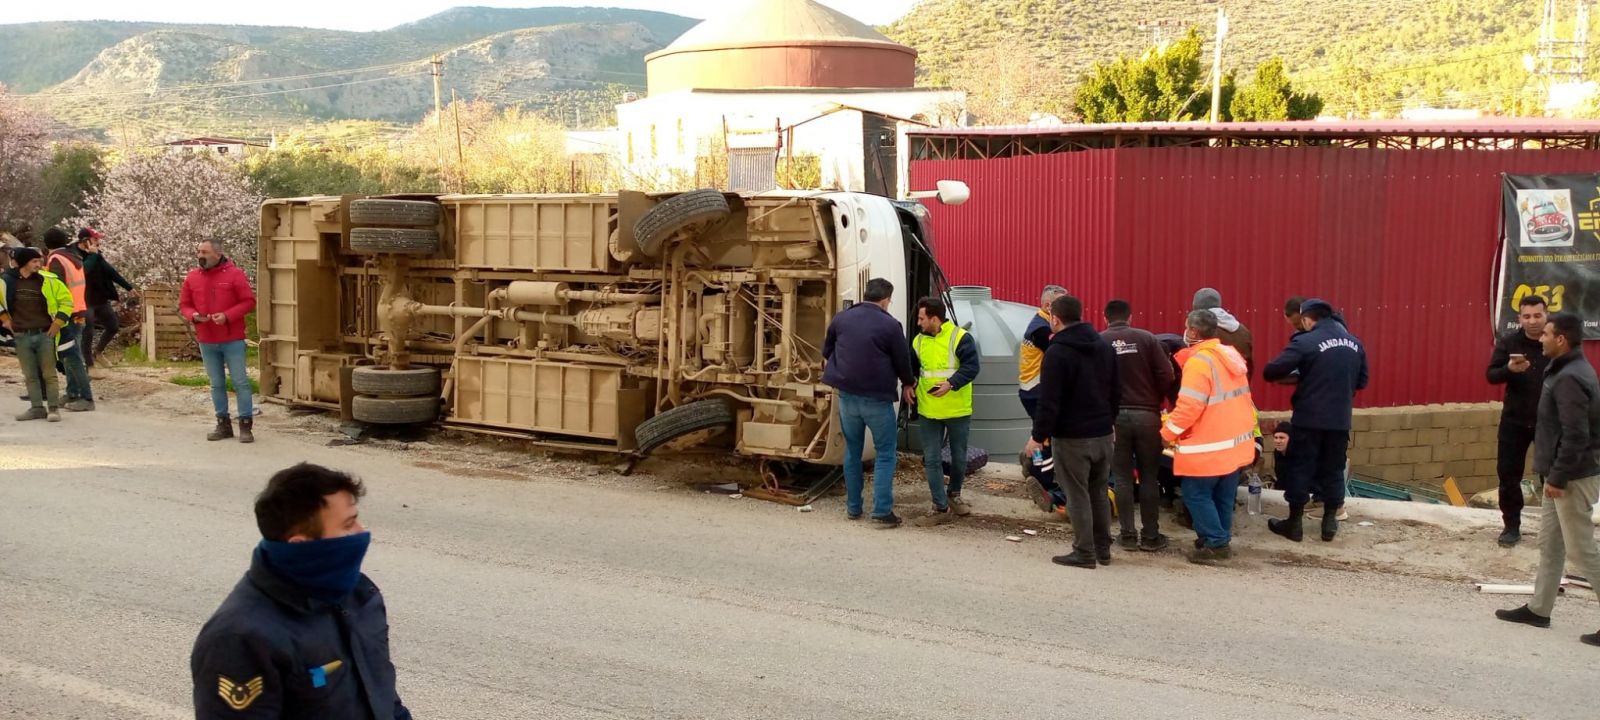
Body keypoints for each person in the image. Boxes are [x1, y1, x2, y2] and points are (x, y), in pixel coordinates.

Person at [191, 463, 413, 718]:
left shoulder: (360, 596)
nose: (362, 532)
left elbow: (382, 697)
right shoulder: (240, 638)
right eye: (348, 524)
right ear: (301, 545)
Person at [1495, 312, 1600, 648]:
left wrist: (1557, 477)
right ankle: (1539, 609)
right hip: (1562, 473)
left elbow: (1575, 434)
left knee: (1582, 551)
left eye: (1546, 334)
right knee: (1550, 545)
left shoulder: (1570, 376)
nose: (1540, 338)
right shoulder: (1565, 369)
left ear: (1561, 340)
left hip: (1571, 476)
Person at [1024, 294, 1119, 569]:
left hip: (1072, 437)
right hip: (1103, 434)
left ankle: (1084, 552)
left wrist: (1038, 436)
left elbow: (1049, 401)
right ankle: (1103, 550)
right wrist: (1109, 422)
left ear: (1055, 318)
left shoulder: (1057, 352)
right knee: (1099, 493)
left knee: (1077, 494)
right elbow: (1115, 390)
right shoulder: (1103, 346)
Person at [1263, 299, 1368, 542]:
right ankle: (1329, 523)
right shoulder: (1355, 343)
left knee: (1301, 467)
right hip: (1339, 420)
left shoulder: (1306, 341)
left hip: (1309, 418)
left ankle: (1294, 524)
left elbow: (1272, 370)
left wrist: (1303, 376)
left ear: (1307, 319)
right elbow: (1362, 381)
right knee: (1333, 468)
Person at [1162, 310, 1258, 564]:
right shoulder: (1230, 354)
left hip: (1209, 445)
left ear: (1193, 332)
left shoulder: (1199, 362)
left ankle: (1215, 543)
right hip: (1234, 442)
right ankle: (1216, 537)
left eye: (1186, 328)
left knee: (1195, 494)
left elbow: (1188, 408)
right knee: (1223, 496)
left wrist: (1166, 433)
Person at [822, 277, 916, 528]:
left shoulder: (842, 318)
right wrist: (908, 383)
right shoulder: (890, 325)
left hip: (847, 398)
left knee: (852, 450)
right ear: (885, 300)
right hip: (876, 399)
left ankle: (853, 508)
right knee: (885, 453)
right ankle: (881, 512)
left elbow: (826, 350)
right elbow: (902, 360)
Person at [1101, 299, 1175, 551]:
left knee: (1121, 477)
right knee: (1149, 476)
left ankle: (1128, 536)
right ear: (1130, 317)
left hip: (1113, 418)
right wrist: (1155, 395)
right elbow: (1167, 374)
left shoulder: (1099, 341)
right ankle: (1151, 536)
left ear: (1105, 318)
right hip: (1147, 415)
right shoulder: (1147, 339)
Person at [909, 297, 981, 526]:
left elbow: (972, 367)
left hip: (957, 408)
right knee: (931, 459)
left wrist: (951, 383)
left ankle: (954, 495)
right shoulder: (917, 342)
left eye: (921, 318)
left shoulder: (960, 337)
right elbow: (913, 369)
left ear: (934, 318)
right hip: (929, 410)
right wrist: (908, 386)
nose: (918, 323)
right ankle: (939, 506)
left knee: (959, 458)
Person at [1485, 295, 1550, 547]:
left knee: (1552, 478)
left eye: (1537, 315)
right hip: (1514, 422)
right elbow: (1491, 375)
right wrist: (1508, 371)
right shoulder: (1509, 342)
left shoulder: (1555, 342)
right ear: (1519, 319)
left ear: (1546, 315)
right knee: (1508, 475)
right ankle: (1511, 526)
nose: (1532, 321)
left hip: (1548, 423)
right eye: (1526, 316)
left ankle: (1553, 531)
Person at [180, 239, 258, 443]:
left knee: (240, 382)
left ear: (217, 253)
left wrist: (227, 315)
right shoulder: (192, 277)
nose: (200, 255)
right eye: (198, 251)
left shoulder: (235, 274)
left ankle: (245, 425)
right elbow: (184, 304)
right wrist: (194, 315)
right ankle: (222, 423)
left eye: (204, 252)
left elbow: (249, 301)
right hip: (206, 338)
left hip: (231, 338)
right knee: (216, 384)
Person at [0, 248, 72, 422]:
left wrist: (58, 323)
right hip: (22, 335)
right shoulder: (6, 282)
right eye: (35, 261)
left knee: (49, 374)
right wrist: (5, 319)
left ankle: (53, 409)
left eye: (39, 261)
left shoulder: (49, 281)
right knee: (30, 375)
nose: (39, 265)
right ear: (25, 262)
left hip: (45, 334)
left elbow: (67, 301)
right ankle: (37, 408)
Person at [1019, 284, 1069, 512]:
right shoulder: (1041, 330)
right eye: (1062, 306)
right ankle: (1043, 482)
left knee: (1040, 435)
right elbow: (1063, 349)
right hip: (1036, 391)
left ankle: (1032, 462)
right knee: (1044, 439)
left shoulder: (1041, 323)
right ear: (1048, 306)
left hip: (1034, 390)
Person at [42, 227, 95, 411]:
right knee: (69, 355)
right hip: (79, 310)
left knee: (72, 357)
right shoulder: (73, 258)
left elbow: (57, 290)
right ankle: (72, 393)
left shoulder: (56, 260)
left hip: (66, 314)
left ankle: (85, 397)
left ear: (46, 243)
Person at [79, 227, 135, 368]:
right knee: (88, 331)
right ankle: (89, 364)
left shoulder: (97, 254)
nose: (98, 242)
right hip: (85, 300)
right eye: (95, 239)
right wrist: (92, 255)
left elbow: (110, 271)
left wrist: (128, 287)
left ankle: (98, 352)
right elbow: (83, 271)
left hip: (100, 298)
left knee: (113, 326)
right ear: (86, 240)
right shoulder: (75, 254)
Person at [1192, 287, 1254, 378]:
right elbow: (1249, 363)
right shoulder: (1242, 330)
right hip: (1240, 385)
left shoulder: (1202, 329)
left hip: (1212, 386)